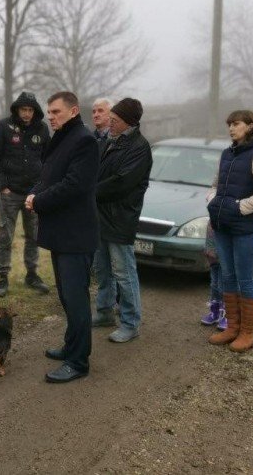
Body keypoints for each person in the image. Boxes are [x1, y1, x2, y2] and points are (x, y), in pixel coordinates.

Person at [25, 91, 99, 383]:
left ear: (73, 111)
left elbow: (75, 186)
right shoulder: (63, 138)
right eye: (50, 112)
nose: (51, 117)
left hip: (76, 234)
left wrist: (38, 202)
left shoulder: (84, 140)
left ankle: (79, 361)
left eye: (56, 112)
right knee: (66, 297)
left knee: (76, 297)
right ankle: (71, 345)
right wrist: (34, 191)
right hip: (60, 232)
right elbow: (49, 176)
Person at [206, 110, 253, 353]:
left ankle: (248, 333)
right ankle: (232, 327)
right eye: (229, 125)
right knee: (228, 276)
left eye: (235, 124)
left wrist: (238, 208)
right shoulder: (227, 153)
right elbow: (215, 184)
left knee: (245, 279)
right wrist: (212, 201)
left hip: (245, 229)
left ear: (250, 125)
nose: (231, 129)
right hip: (222, 226)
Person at [92, 97, 152, 343]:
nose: (110, 123)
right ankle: (105, 311)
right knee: (102, 268)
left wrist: (88, 191)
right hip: (100, 216)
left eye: (114, 120)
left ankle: (130, 322)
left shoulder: (138, 147)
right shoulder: (110, 141)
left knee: (124, 272)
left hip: (120, 219)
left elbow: (121, 182)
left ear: (128, 122)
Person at [0, 91, 50, 297]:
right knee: (5, 235)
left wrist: (41, 187)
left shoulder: (42, 130)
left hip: (33, 194)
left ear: (35, 111)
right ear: (17, 109)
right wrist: (3, 186)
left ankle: (32, 274)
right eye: (23, 109)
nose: (26, 114)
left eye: (30, 110)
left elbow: (47, 160)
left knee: (33, 235)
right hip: (10, 192)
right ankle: (3, 276)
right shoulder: (4, 126)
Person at [199, 222, 227, 330]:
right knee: (214, 283)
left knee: (223, 284)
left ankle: (227, 314)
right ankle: (215, 311)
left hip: (227, 236)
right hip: (214, 236)